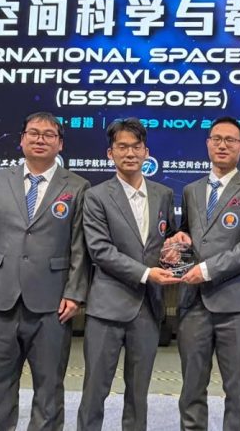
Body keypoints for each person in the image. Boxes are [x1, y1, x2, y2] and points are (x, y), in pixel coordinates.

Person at [0, 111, 90, 431]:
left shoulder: (77, 186)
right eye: (33, 133)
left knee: (49, 390)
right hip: (0, 299)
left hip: (52, 305)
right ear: (22, 140)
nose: (40, 139)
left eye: (49, 135)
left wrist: (75, 293)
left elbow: (80, 246)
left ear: (60, 144)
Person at [167, 116, 240, 430]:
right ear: (208, 143)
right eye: (217, 139)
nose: (222, 145)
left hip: (235, 305)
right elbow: (189, 234)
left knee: (236, 390)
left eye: (230, 140)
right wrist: (179, 240)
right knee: (191, 388)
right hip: (193, 304)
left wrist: (208, 269)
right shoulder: (191, 190)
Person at [77, 118, 178, 431]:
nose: (130, 153)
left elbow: (168, 240)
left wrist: (174, 250)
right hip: (106, 309)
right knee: (95, 390)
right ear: (110, 153)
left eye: (136, 147)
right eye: (122, 147)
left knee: (138, 393)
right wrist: (147, 273)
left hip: (148, 309)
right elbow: (100, 250)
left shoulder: (163, 194)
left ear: (146, 151)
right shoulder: (96, 196)